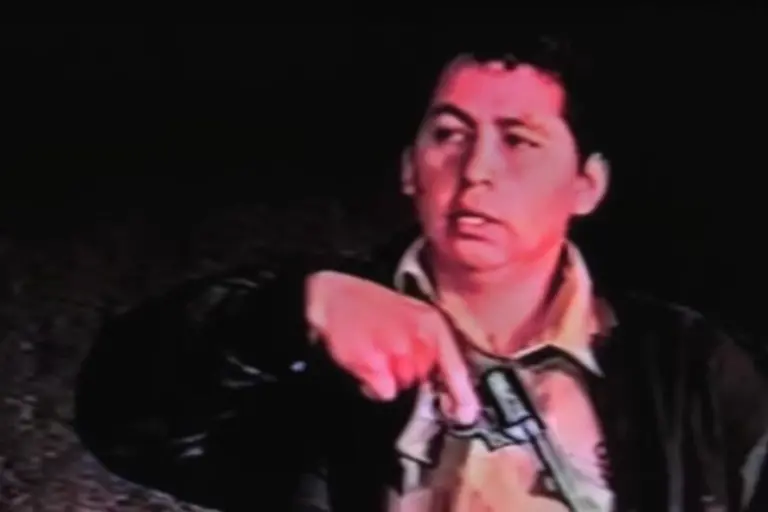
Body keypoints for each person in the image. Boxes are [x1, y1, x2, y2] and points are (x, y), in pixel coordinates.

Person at [74, 32, 768, 511]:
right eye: (450, 135)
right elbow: (124, 420)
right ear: (410, 168)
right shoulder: (319, 328)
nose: (477, 171)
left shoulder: (690, 371)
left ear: (587, 184)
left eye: (519, 141)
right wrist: (290, 315)